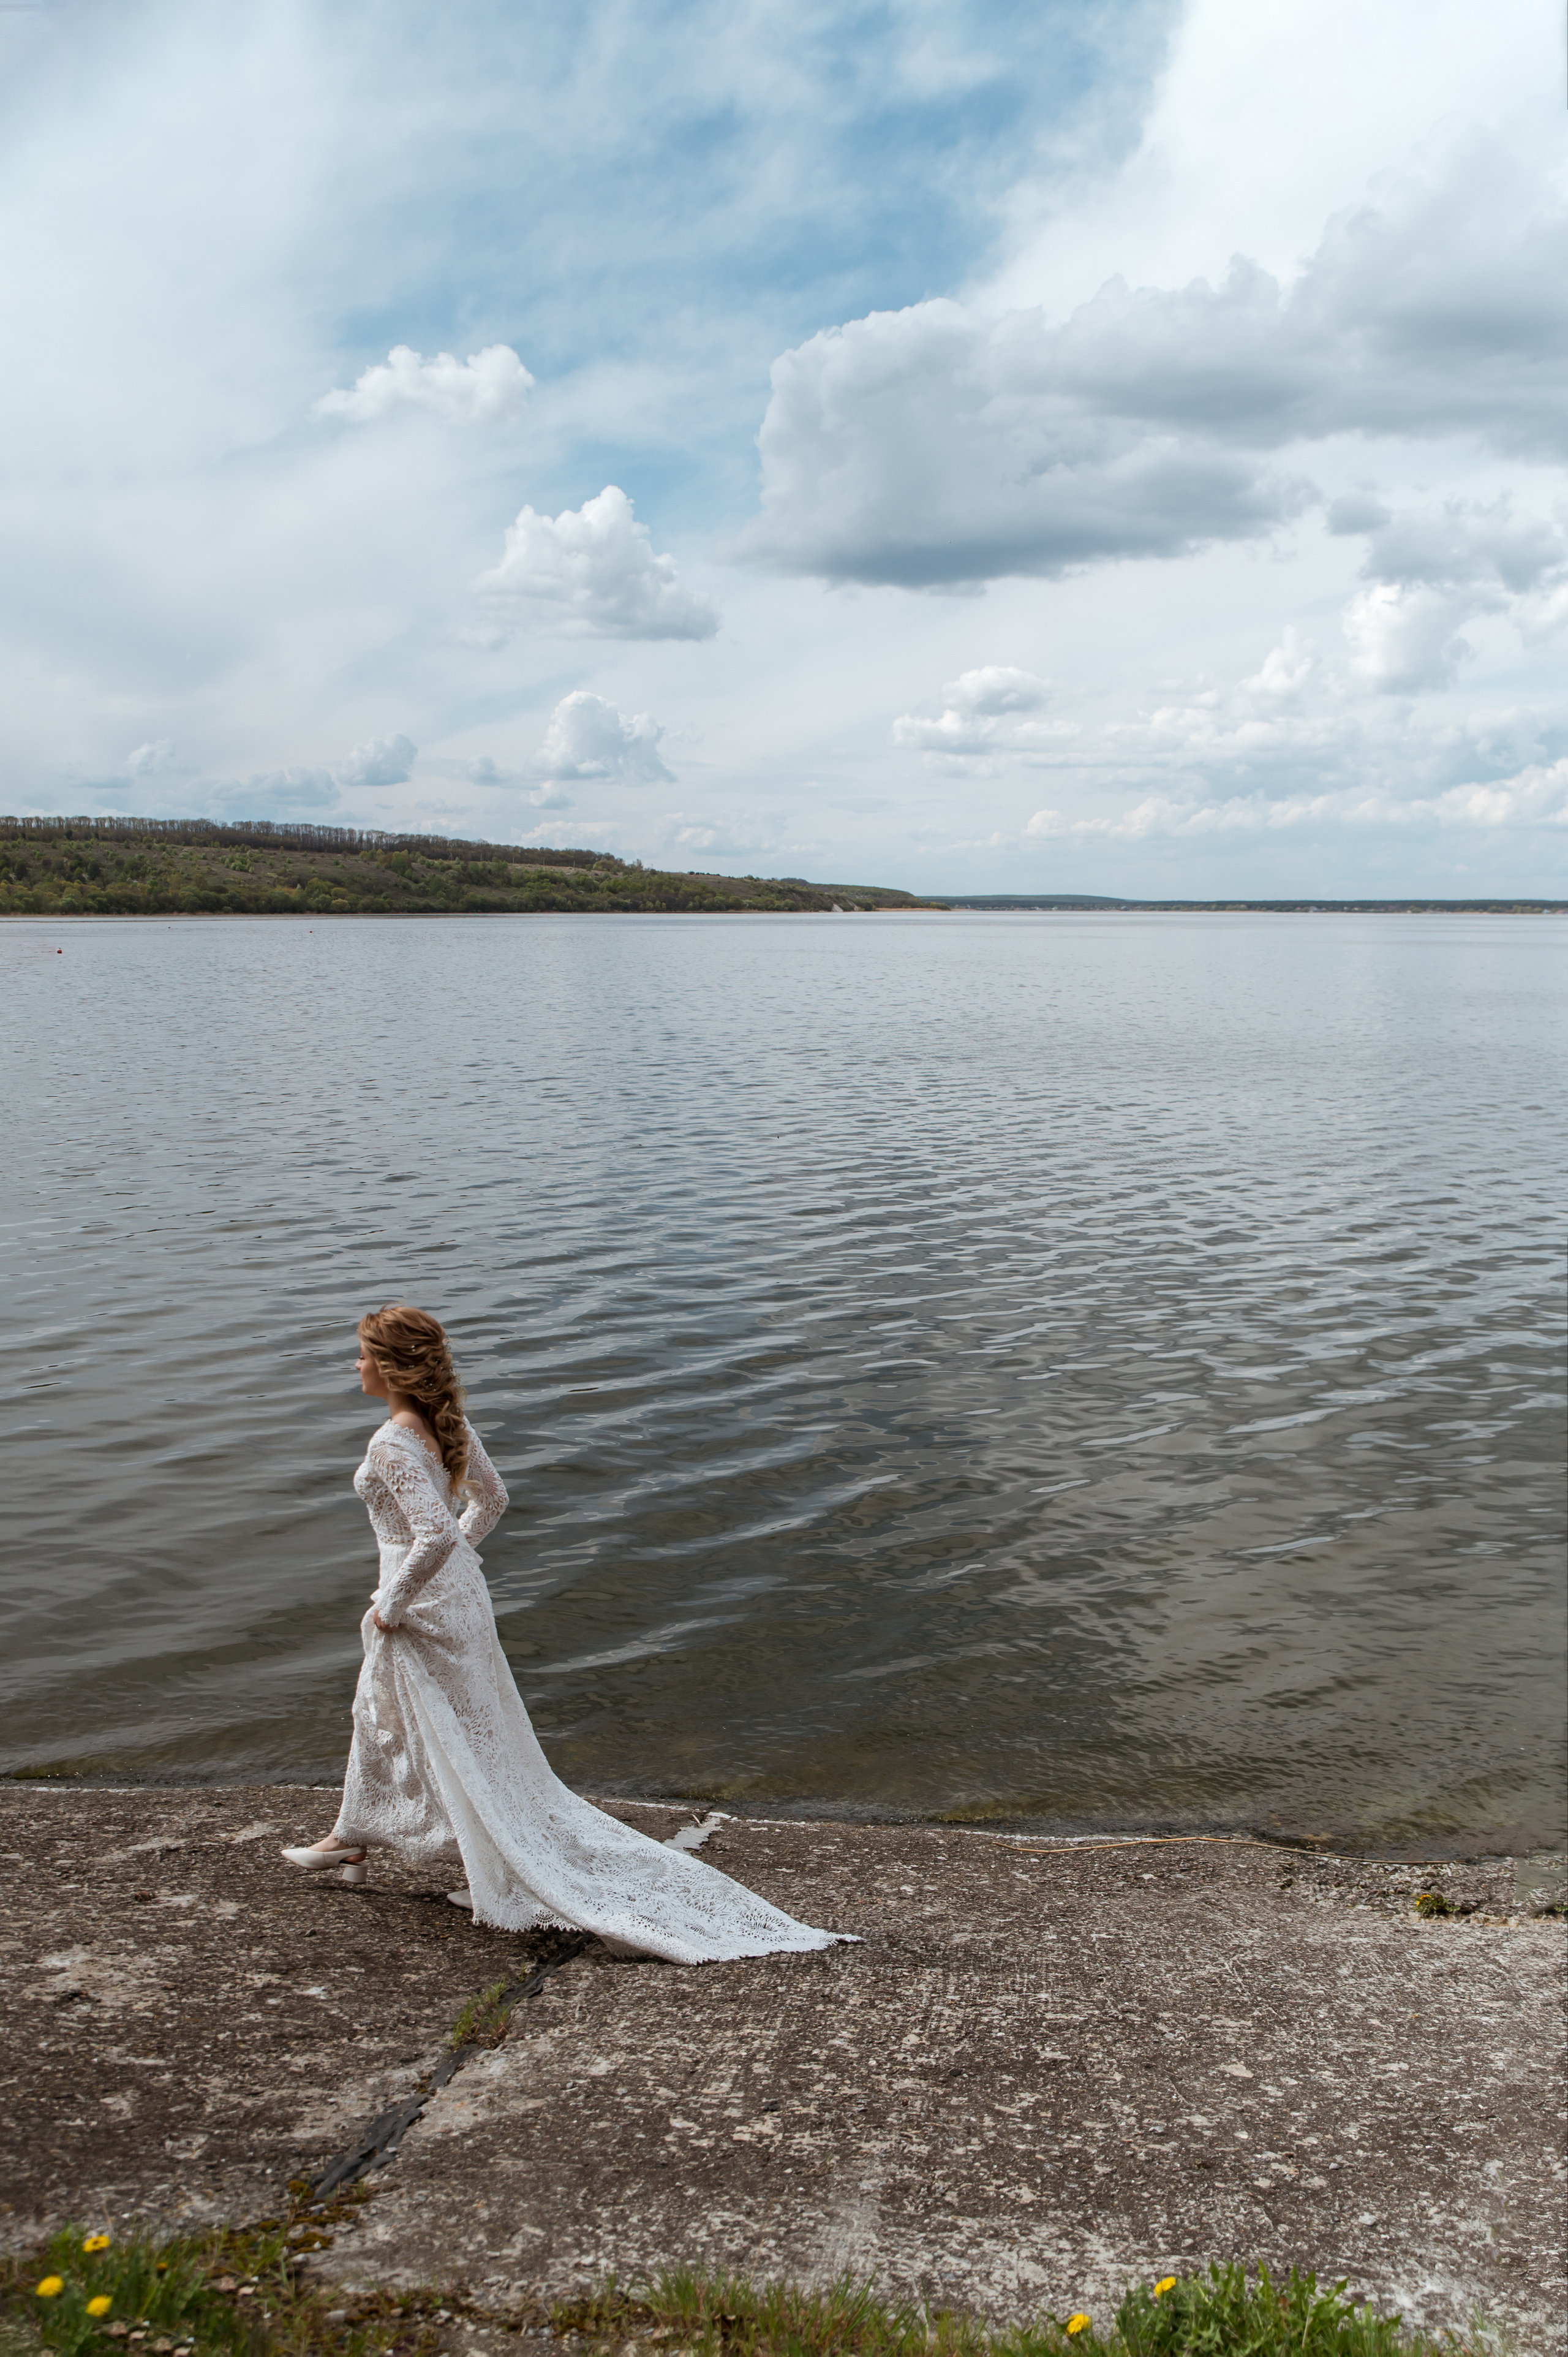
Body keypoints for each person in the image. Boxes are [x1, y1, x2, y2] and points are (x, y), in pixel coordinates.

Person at [281, 1304, 848, 1964]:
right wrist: (457, 1564)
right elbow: (490, 1502)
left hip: (419, 1605)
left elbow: (433, 1534)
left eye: (362, 1353)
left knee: (411, 1723)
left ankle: (470, 1861)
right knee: (437, 1726)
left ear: (389, 1364)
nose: (354, 1364)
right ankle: (353, 1839)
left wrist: (392, 1603)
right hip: (458, 1598)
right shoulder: (447, 1424)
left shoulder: (390, 1442)